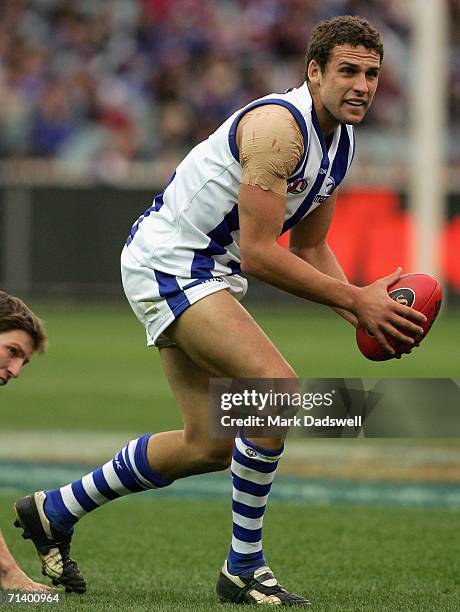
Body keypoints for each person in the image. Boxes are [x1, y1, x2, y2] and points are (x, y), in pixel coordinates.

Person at [14, 16, 427, 605]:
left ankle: (54, 510)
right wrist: (357, 300)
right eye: (348, 72)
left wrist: (362, 312)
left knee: (209, 442)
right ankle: (243, 568)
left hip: (201, 269)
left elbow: (310, 247)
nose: (362, 85)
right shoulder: (279, 130)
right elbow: (261, 254)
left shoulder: (343, 139)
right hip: (173, 263)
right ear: (313, 72)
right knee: (276, 389)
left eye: (372, 74)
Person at [0, 291, 51, 592]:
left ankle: (61, 506)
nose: (16, 373)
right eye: (13, 351)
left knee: (213, 443)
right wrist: (7, 571)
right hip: (180, 279)